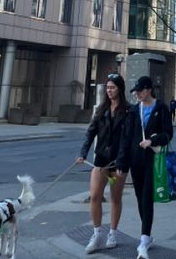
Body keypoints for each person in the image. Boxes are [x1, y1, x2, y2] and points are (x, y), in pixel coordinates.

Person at [115, 75, 173, 259]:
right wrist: (122, 162)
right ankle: (146, 236)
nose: (138, 94)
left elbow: (168, 134)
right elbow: (126, 138)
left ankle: (143, 240)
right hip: (135, 160)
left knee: (147, 196)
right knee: (140, 197)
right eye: (136, 92)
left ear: (149, 90)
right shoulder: (133, 111)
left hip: (152, 159)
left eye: (140, 90)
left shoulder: (161, 108)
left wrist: (152, 140)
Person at [77, 73, 130, 254]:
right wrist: (83, 153)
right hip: (101, 160)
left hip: (119, 162)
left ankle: (113, 233)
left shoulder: (128, 111)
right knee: (95, 196)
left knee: (116, 198)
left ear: (120, 89)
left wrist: (123, 162)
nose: (109, 91)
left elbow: (127, 139)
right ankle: (97, 232)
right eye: (107, 87)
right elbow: (90, 133)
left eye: (113, 87)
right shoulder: (101, 110)